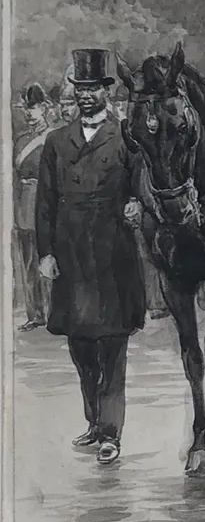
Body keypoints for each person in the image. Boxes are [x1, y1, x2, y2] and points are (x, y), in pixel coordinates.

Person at [36, 50, 146, 465]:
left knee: (113, 346)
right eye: (79, 89)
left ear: (106, 92)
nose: (84, 96)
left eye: (92, 89)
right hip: (71, 255)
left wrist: (138, 205)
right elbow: (44, 202)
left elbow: (141, 188)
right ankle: (94, 421)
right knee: (80, 347)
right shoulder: (56, 141)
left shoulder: (126, 138)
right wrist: (45, 253)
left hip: (112, 254)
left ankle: (111, 433)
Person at [15, 83, 54, 331]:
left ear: (46, 109)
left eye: (35, 107)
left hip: (47, 202)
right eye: (27, 108)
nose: (30, 113)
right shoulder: (19, 141)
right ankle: (35, 313)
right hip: (25, 204)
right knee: (28, 261)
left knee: (49, 258)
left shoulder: (54, 137)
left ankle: (53, 313)